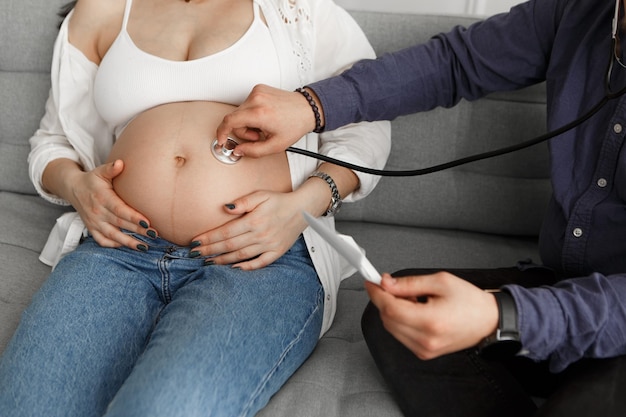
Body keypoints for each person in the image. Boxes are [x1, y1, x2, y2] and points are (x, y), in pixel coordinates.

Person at [214, 0, 626, 415]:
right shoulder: (581, 12)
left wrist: (503, 314)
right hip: (570, 284)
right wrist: (312, 105)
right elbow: (455, 63)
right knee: (404, 316)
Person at [0, 0, 390, 416]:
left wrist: (304, 204)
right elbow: (52, 142)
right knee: (26, 406)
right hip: (119, 248)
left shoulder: (298, 10)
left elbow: (367, 121)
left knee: (160, 410)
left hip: (259, 258)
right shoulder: (102, 8)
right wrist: (77, 186)